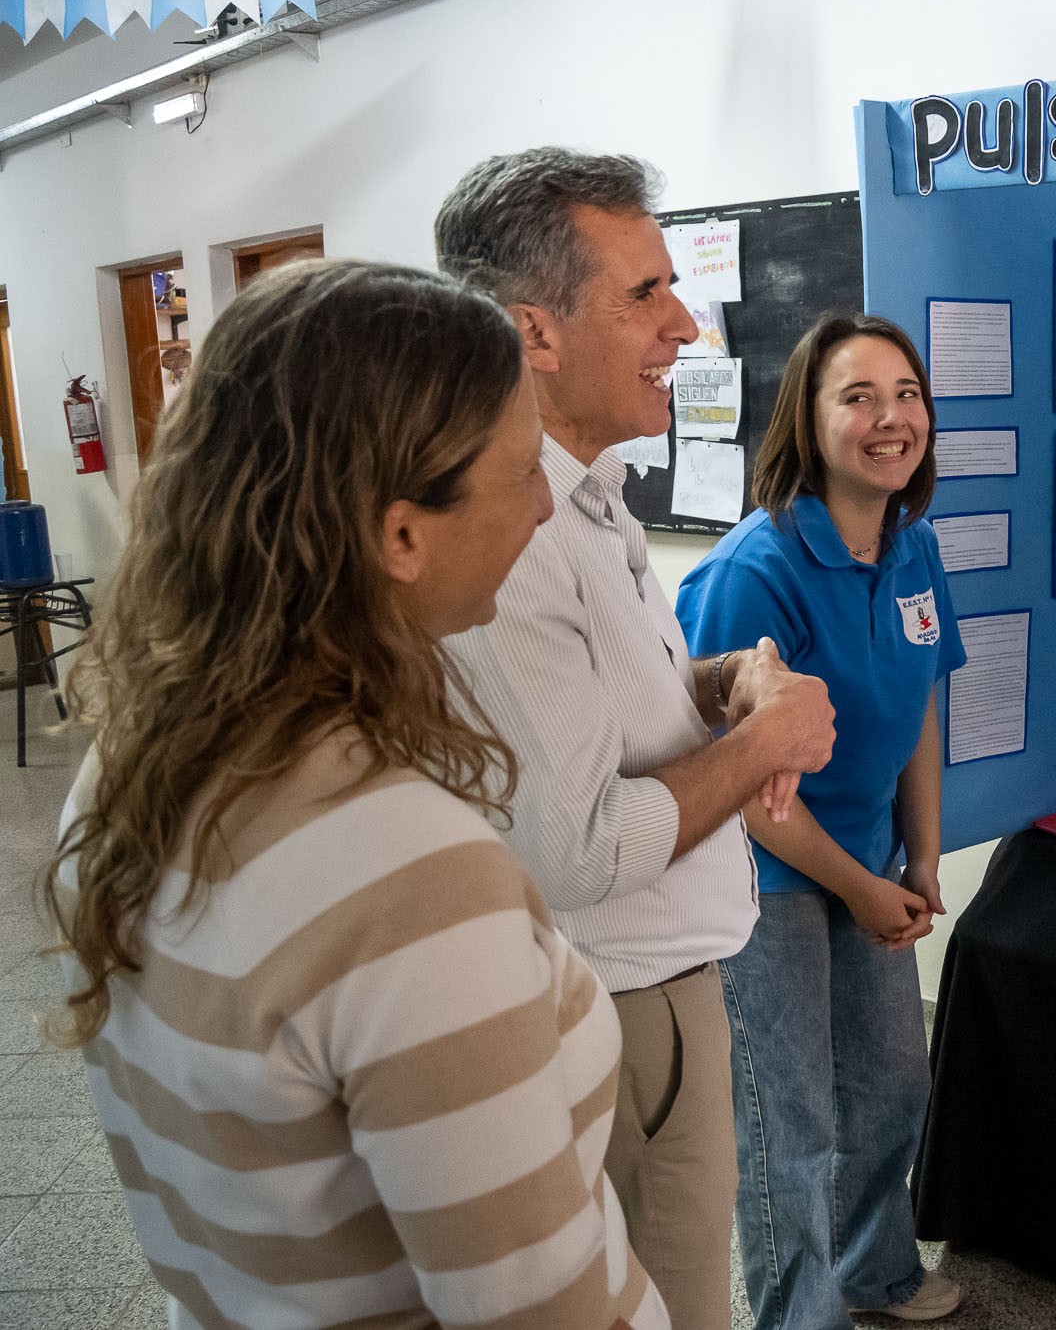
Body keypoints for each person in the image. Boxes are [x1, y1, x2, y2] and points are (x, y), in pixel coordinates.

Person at [43, 259, 666, 1327]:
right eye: (524, 469)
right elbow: (540, 1311)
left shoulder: (134, 766)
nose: (540, 506)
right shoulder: (412, 879)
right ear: (400, 534)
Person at [433, 148, 837, 1330]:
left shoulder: (589, 491)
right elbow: (581, 851)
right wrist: (761, 747)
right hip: (617, 1004)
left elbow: (619, 708)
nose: (684, 324)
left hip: (662, 990)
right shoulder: (513, 534)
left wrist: (722, 686)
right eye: (644, 294)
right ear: (535, 332)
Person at [674, 313, 967, 1327]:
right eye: (859, 397)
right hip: (766, 872)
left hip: (869, 857)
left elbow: (919, 703)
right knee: (786, 1120)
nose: (891, 418)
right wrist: (859, 886)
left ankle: (876, 1270)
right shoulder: (755, 570)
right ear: (808, 417)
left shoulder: (913, 547)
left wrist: (921, 856)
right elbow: (742, 780)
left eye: (907, 394)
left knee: (889, 1086)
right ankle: (799, 1315)